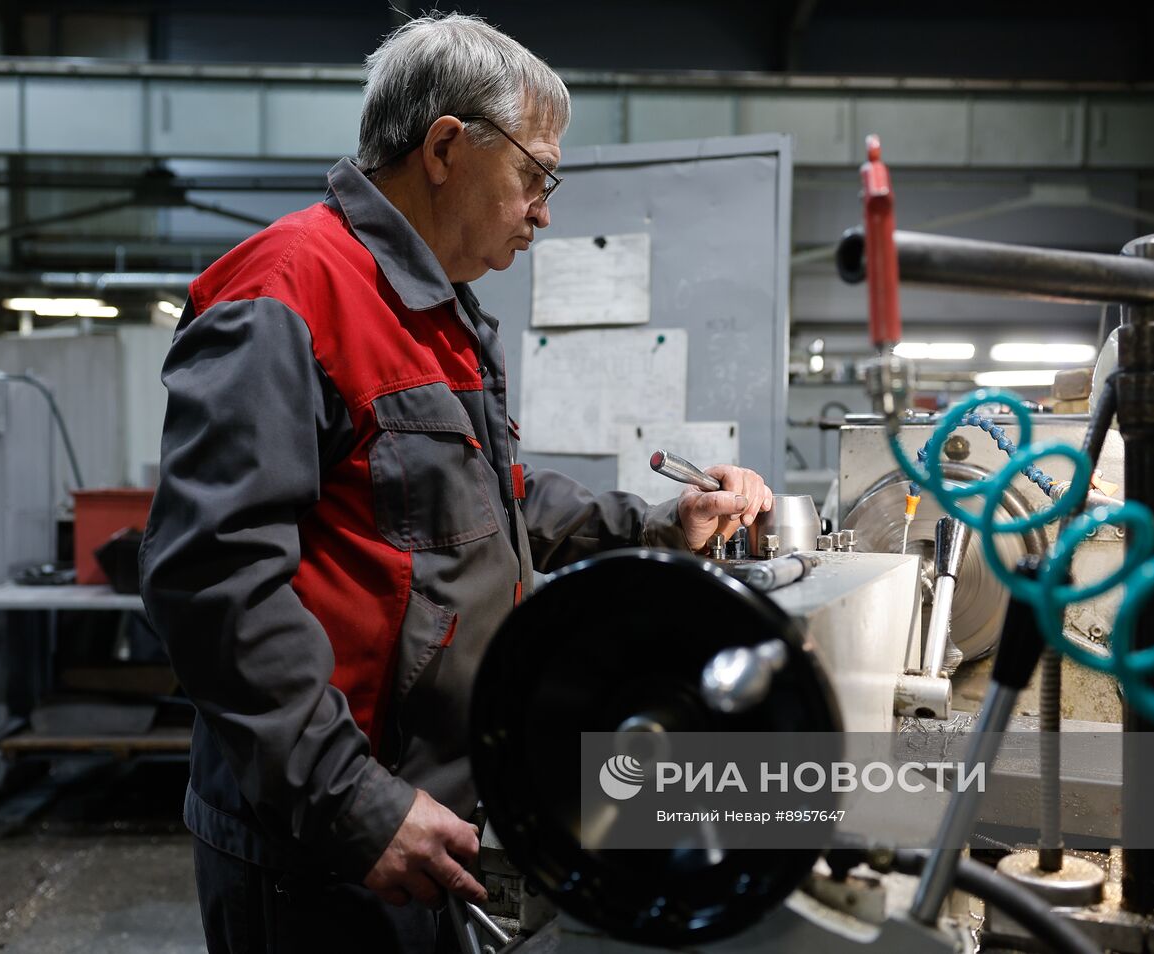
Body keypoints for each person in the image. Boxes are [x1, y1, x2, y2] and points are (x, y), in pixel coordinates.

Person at [138, 13, 774, 953]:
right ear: (445, 147)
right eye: (535, 175)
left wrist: (658, 525)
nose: (544, 209)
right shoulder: (286, 291)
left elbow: (485, 501)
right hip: (324, 840)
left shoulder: (437, 313)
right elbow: (209, 579)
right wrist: (352, 802)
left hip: (428, 809)